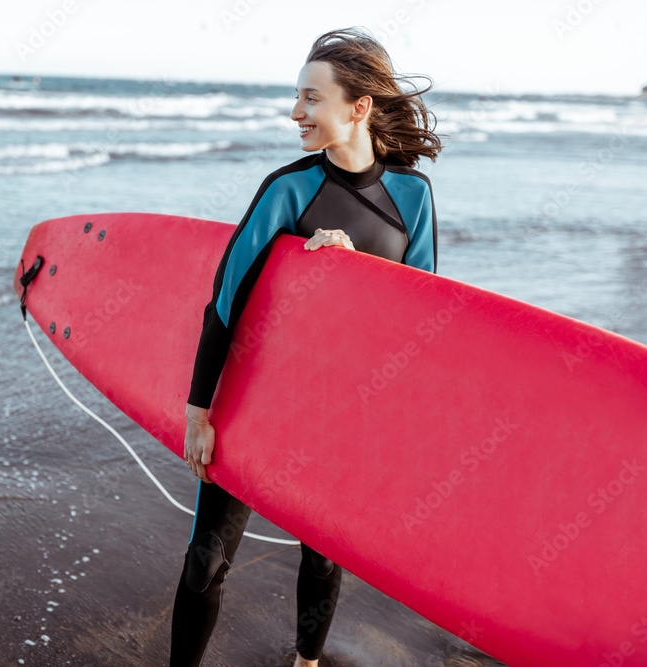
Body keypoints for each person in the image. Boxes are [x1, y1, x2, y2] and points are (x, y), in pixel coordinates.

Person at [170, 27, 443, 667]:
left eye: (310, 98)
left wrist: (352, 279)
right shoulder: (286, 189)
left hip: (346, 411)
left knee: (323, 554)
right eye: (297, 97)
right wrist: (198, 410)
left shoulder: (413, 197)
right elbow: (225, 300)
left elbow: (421, 324)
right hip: (254, 401)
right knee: (207, 558)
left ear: (358, 108)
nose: (296, 112)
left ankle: (306, 662)